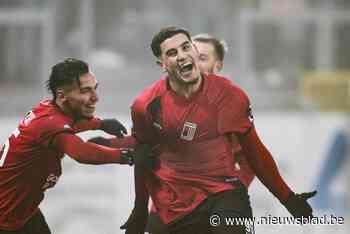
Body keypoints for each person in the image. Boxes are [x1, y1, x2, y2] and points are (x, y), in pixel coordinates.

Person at [120, 26, 317, 234]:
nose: (181, 56)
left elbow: (255, 153)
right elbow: (142, 159)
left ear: (194, 51)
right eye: (172, 53)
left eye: (186, 47)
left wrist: (287, 198)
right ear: (162, 64)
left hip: (224, 194)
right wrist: (140, 210)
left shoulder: (230, 96)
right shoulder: (145, 106)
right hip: (172, 205)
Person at [0, 58, 153, 234]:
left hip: (23, 214)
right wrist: (128, 156)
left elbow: (69, 125)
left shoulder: (49, 110)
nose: (95, 97)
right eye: (85, 91)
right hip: (6, 221)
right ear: (62, 95)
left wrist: (100, 124)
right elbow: (82, 153)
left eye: (95, 88)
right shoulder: (50, 124)